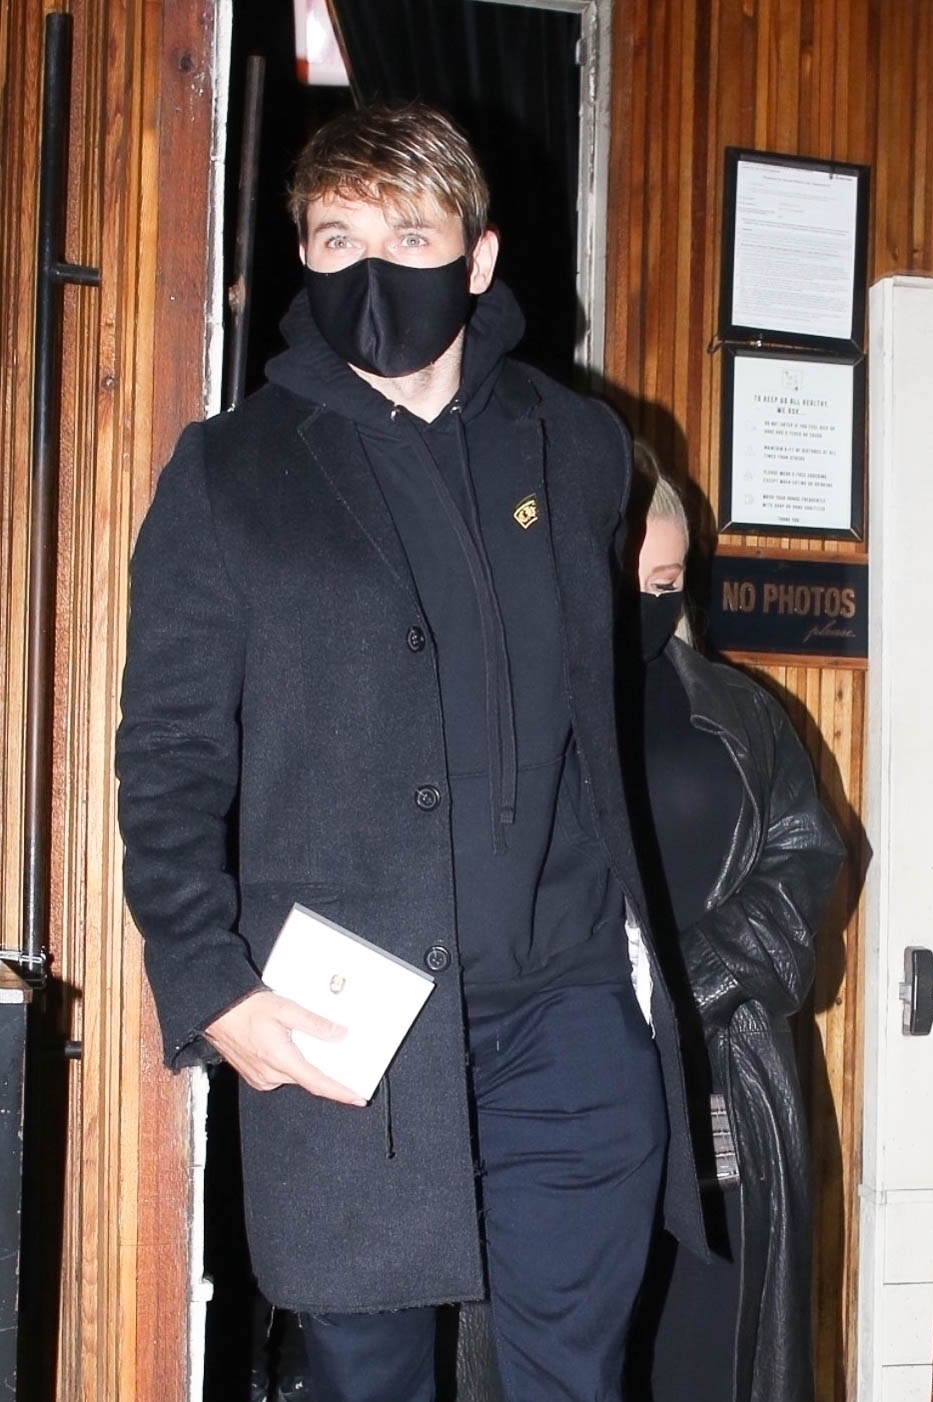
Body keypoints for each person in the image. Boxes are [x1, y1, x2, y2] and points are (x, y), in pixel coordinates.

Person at [115, 102, 704, 1402]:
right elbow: (166, 755)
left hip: (565, 1022)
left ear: (477, 258)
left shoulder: (577, 447)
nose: (371, 269)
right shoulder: (228, 472)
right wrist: (211, 984)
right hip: (348, 1028)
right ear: (301, 256)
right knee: (366, 1382)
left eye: (409, 236)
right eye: (336, 239)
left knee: (574, 1381)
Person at [619, 462, 845, 1402]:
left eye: (667, 583)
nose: (649, 606)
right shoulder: (518, 713)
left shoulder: (740, 711)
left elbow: (806, 863)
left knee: (710, 1338)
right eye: (629, 582)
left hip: (720, 1071)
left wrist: (684, 978)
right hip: (563, 1075)